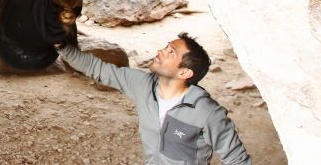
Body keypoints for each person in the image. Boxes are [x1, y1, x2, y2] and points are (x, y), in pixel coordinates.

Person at [58, 33, 252, 164]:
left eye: (171, 53)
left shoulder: (207, 113)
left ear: (184, 72)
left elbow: (236, 158)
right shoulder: (143, 85)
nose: (161, 51)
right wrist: (62, 45)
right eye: (166, 47)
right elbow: (97, 68)